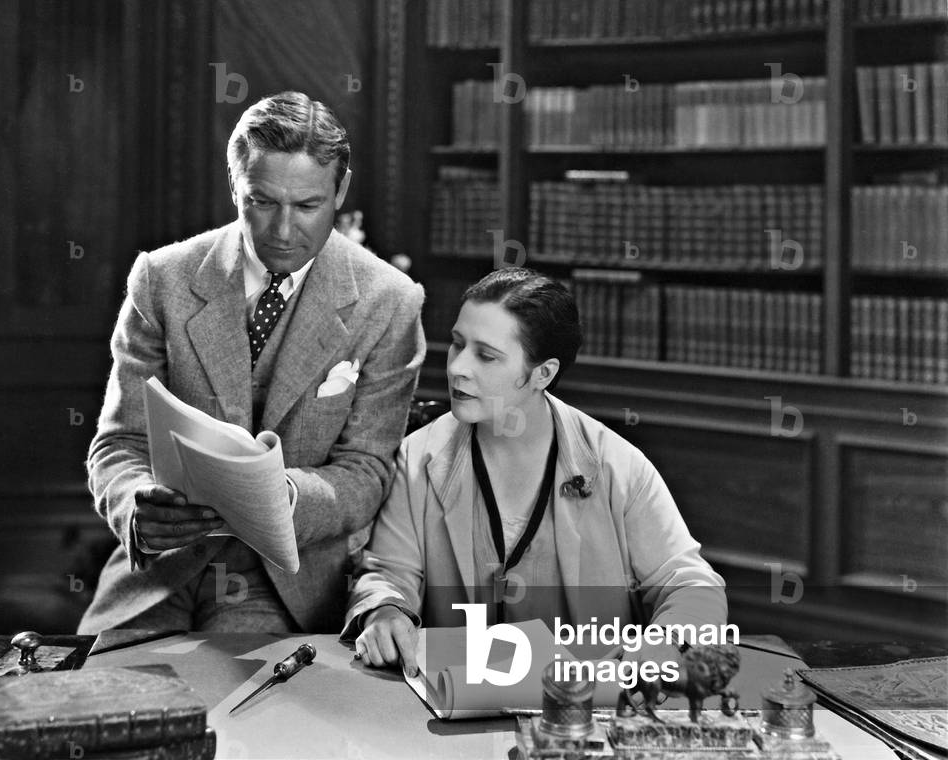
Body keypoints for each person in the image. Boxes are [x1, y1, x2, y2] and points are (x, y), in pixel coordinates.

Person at [78, 91, 425, 634]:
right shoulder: (162, 278)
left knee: (239, 712)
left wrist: (279, 499)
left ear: (342, 189)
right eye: (261, 202)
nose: (283, 231)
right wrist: (134, 509)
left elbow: (367, 472)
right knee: (104, 703)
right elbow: (119, 444)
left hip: (286, 578)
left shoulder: (389, 301)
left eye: (308, 206)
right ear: (234, 185)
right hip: (156, 572)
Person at [343, 268, 726, 677]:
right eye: (458, 344)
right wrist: (384, 610)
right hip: (453, 708)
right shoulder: (416, 459)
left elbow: (690, 584)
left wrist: (664, 642)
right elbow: (388, 574)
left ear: (543, 373)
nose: (458, 368)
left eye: (486, 355)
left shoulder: (618, 466)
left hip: (586, 706)